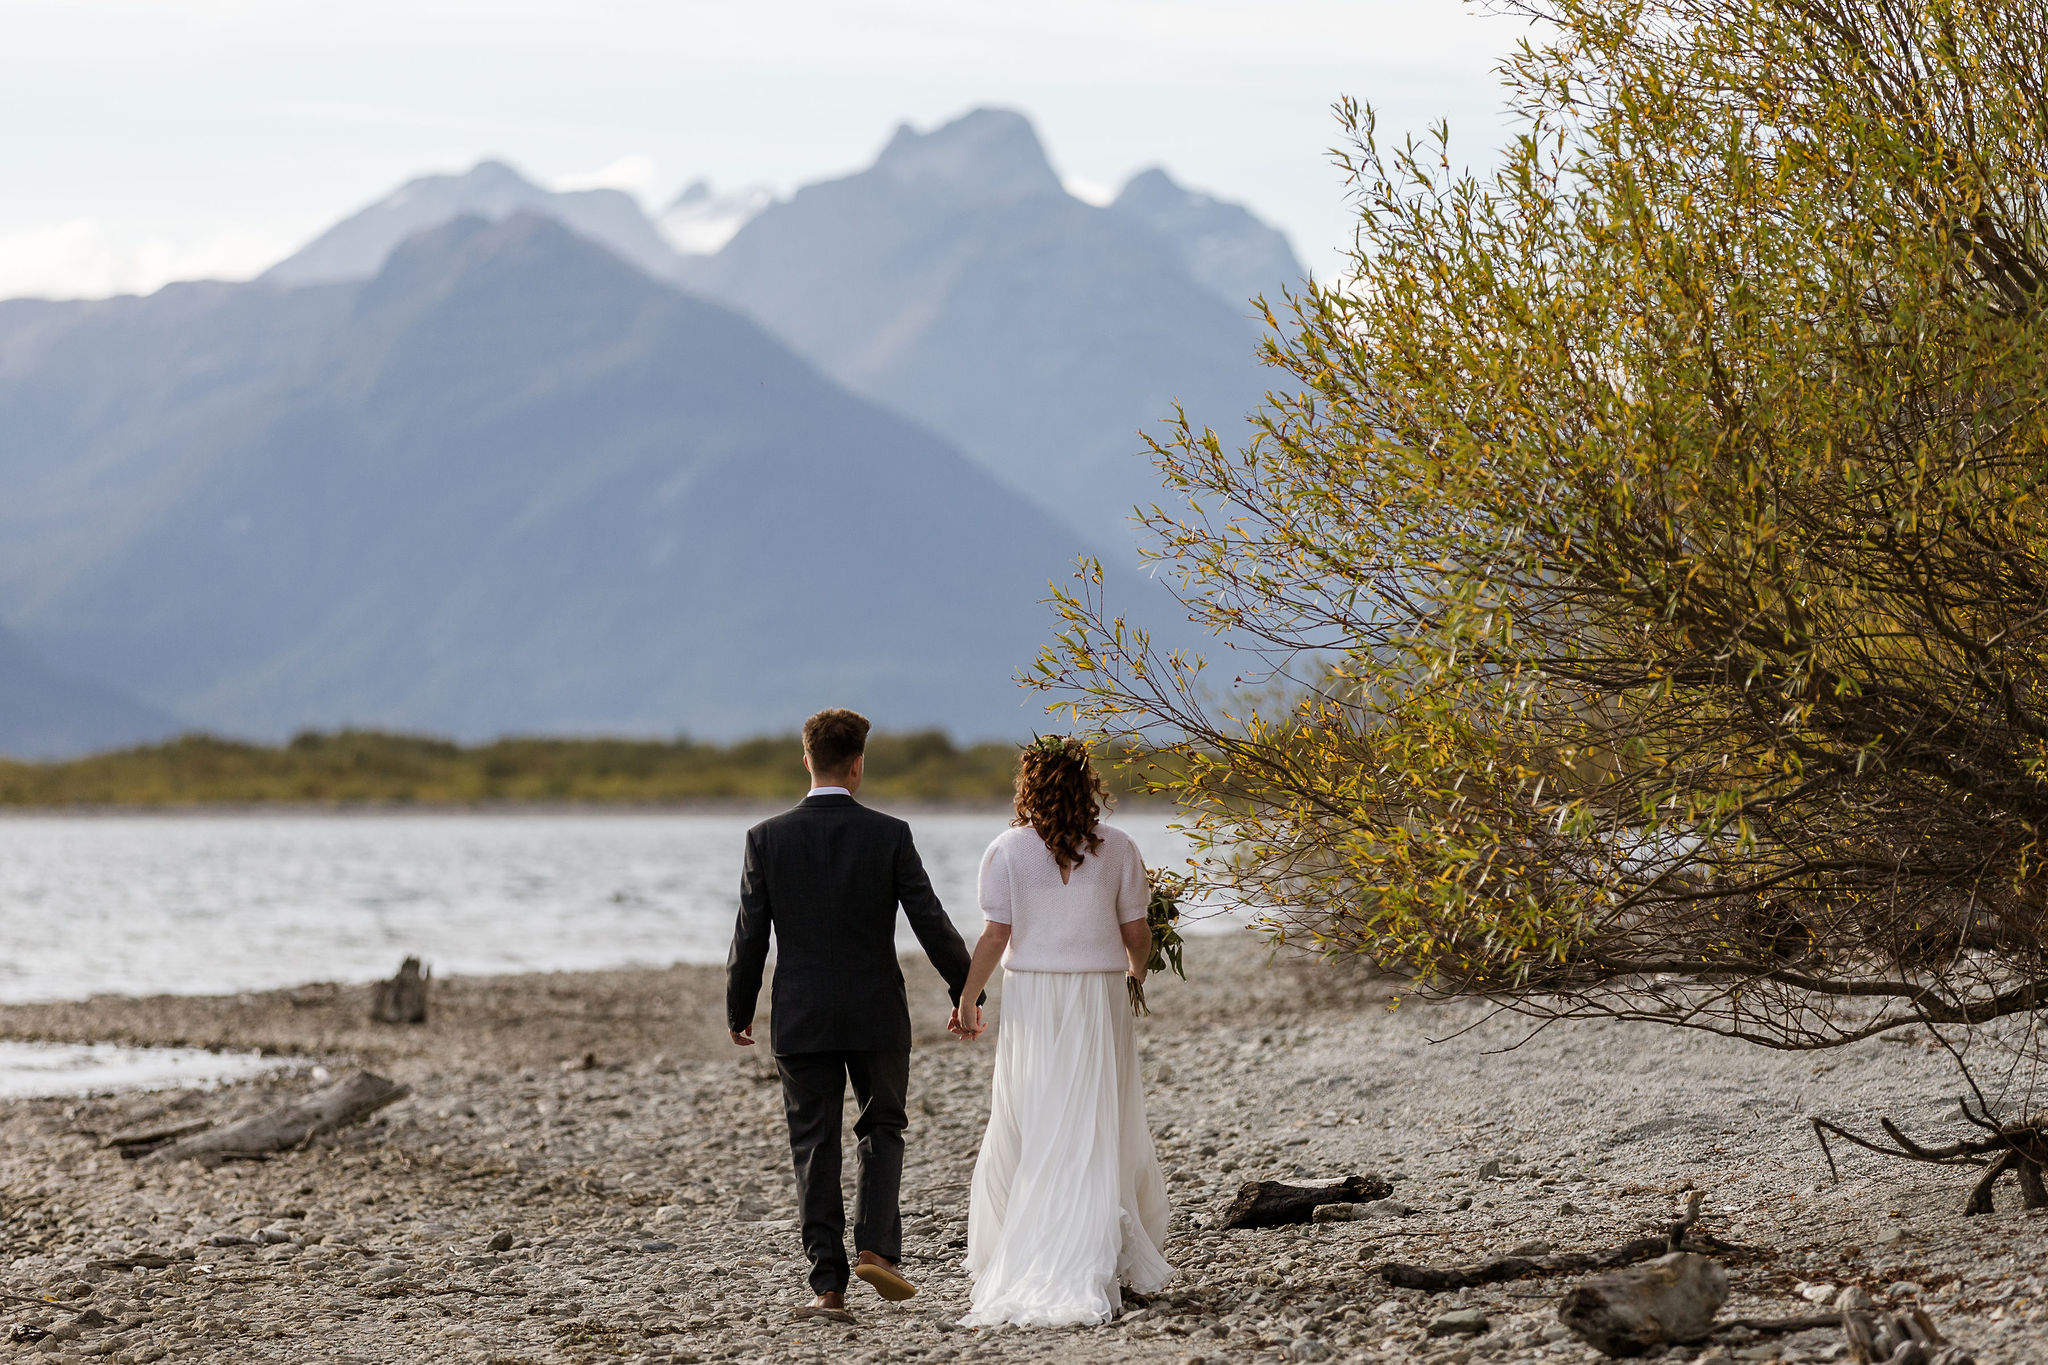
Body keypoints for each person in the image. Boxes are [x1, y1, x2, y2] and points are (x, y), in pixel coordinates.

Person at [725, 708, 976, 1322]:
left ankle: (827, 1288)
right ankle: (877, 1251)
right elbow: (929, 920)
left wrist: (739, 1006)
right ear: (858, 765)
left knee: (812, 1143)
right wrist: (966, 990)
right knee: (882, 1126)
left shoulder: (767, 837)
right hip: (875, 1012)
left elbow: (750, 935)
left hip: (802, 1014)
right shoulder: (889, 834)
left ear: (806, 759)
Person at [948, 736, 1173, 1326]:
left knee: (1033, 1114)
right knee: (1099, 1117)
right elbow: (1138, 930)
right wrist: (1137, 974)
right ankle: (1104, 1248)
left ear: (1028, 788)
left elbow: (996, 934)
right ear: (1086, 786)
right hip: (1099, 994)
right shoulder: (1121, 848)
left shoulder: (1005, 850)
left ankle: (1021, 1246)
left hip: (1033, 997)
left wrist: (968, 997)